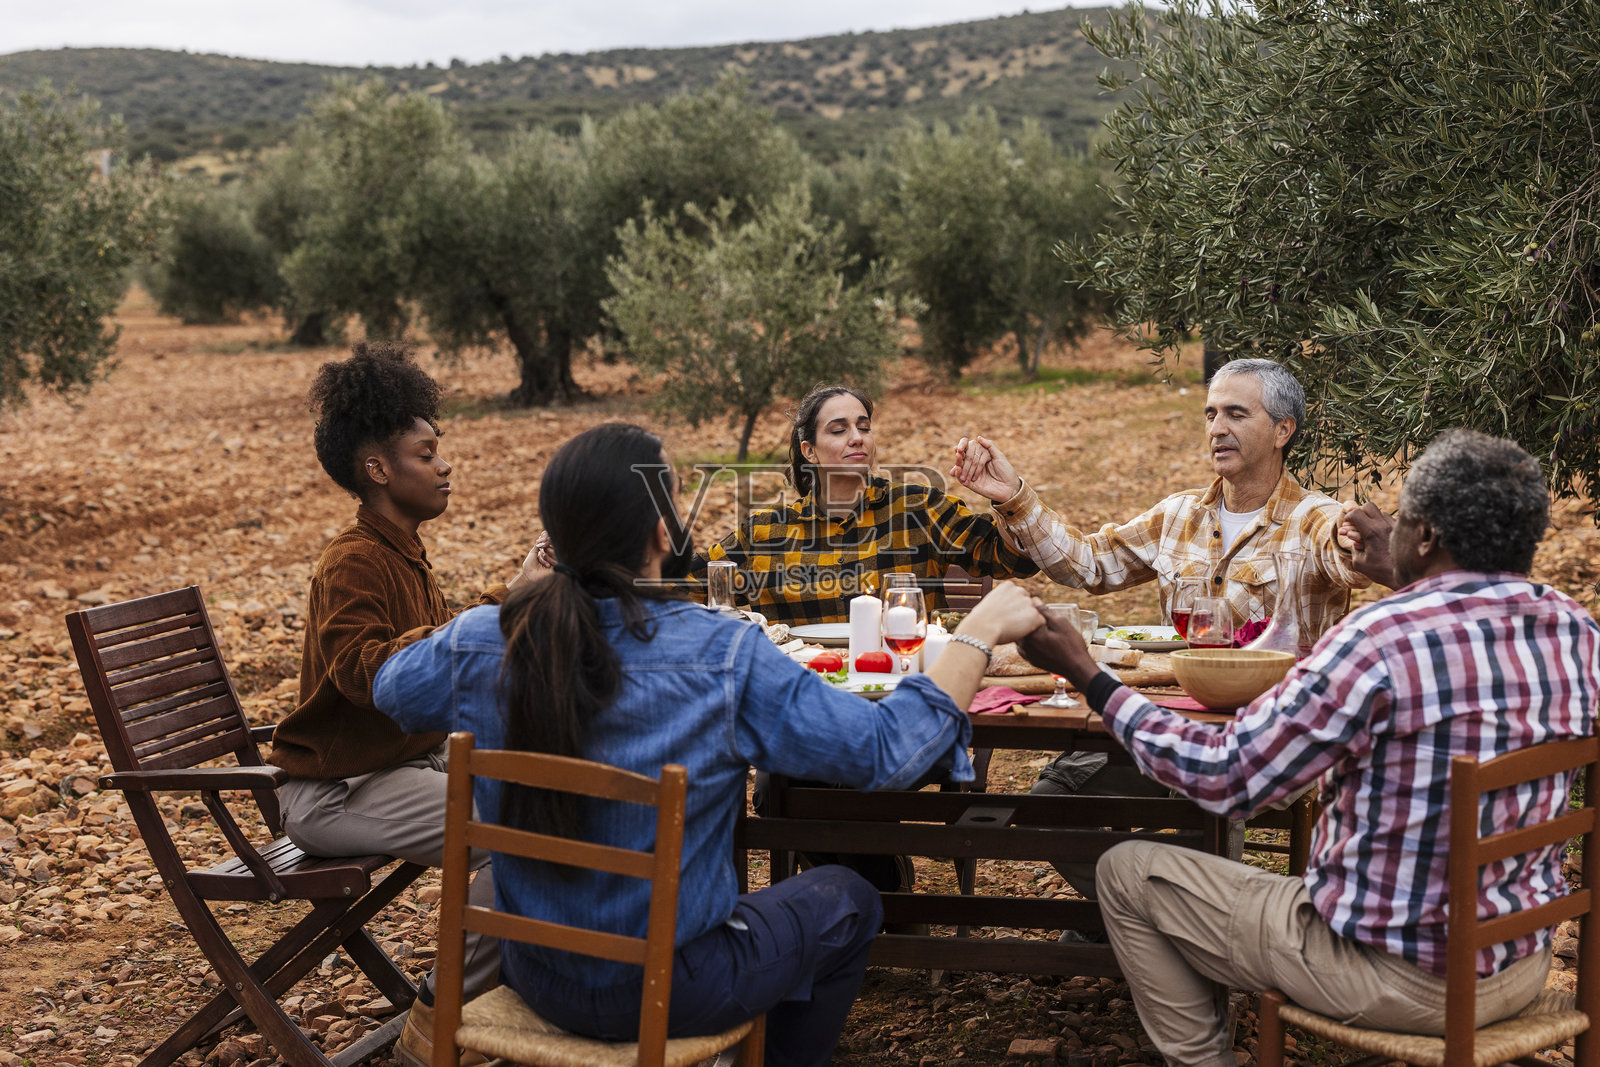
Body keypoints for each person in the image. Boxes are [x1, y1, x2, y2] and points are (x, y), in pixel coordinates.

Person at [372, 422, 1043, 1067]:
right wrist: (976, 634)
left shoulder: (484, 640)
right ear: (663, 531)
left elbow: (392, 691)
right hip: (677, 987)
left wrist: (509, 603)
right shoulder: (722, 655)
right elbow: (885, 753)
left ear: (556, 537)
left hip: (537, 971)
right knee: (849, 896)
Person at [1019, 429, 1600, 1065]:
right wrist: (1399, 573)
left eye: (1403, 519)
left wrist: (1090, 677)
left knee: (1125, 871)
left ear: (1427, 536)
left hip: (1391, 977)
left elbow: (1228, 776)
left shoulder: (1381, 637)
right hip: (1517, 967)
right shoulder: (1576, 629)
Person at [951, 358, 1373, 902]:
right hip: (1169, 726)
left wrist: (1353, 542)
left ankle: (1164, 929)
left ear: (1282, 431)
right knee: (1048, 805)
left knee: (1202, 817)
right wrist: (1013, 497)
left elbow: (1346, 558)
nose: (1217, 428)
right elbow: (1087, 562)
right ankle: (1146, 923)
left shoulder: (1313, 518)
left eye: (1236, 414)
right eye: (1210, 413)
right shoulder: (1178, 517)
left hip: (1266, 743)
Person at [265, 342, 541, 1067]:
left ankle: (507, 989)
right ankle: (439, 1018)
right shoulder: (353, 558)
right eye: (428, 452)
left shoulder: (404, 550)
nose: (445, 464)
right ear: (378, 468)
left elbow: (440, 663)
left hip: (396, 766)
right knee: (512, 833)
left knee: (545, 793)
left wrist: (516, 600)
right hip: (335, 792)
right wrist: (496, 609)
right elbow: (369, 674)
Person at [702, 383, 1040, 625]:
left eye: (864, 427)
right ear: (810, 451)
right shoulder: (764, 533)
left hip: (902, 686)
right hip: (802, 698)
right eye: (838, 430)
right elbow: (683, 584)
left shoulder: (918, 510)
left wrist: (1007, 495)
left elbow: (1016, 561)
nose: (857, 437)